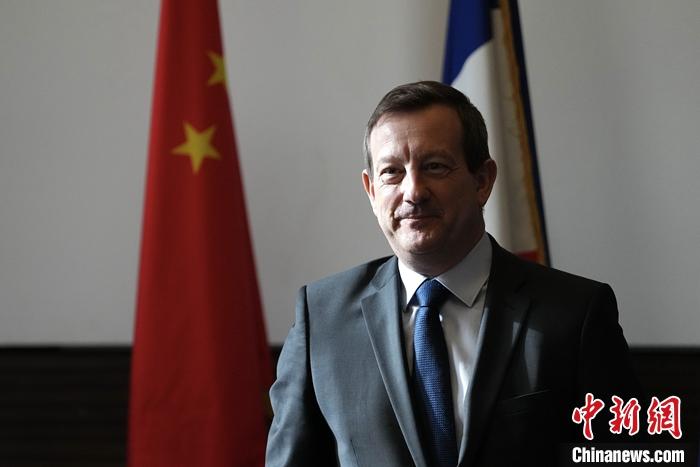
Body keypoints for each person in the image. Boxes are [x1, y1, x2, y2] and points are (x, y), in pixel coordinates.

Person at [265, 81, 640, 467]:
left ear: (482, 180)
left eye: (435, 166)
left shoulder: (575, 314)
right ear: (371, 190)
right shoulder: (321, 319)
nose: (413, 191)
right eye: (392, 172)